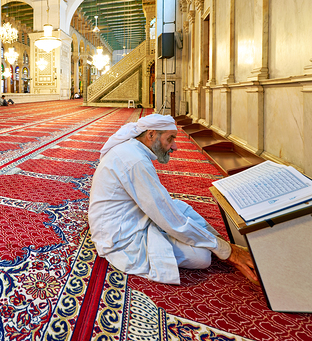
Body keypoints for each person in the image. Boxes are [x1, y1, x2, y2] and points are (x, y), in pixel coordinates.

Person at [89, 113, 259, 285]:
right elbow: (169, 219)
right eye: (170, 139)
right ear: (151, 135)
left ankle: (214, 241)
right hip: (121, 236)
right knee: (202, 257)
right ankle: (216, 245)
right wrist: (228, 252)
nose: (175, 146)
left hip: (130, 217)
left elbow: (165, 208)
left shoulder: (133, 150)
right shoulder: (135, 161)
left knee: (181, 207)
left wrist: (219, 244)